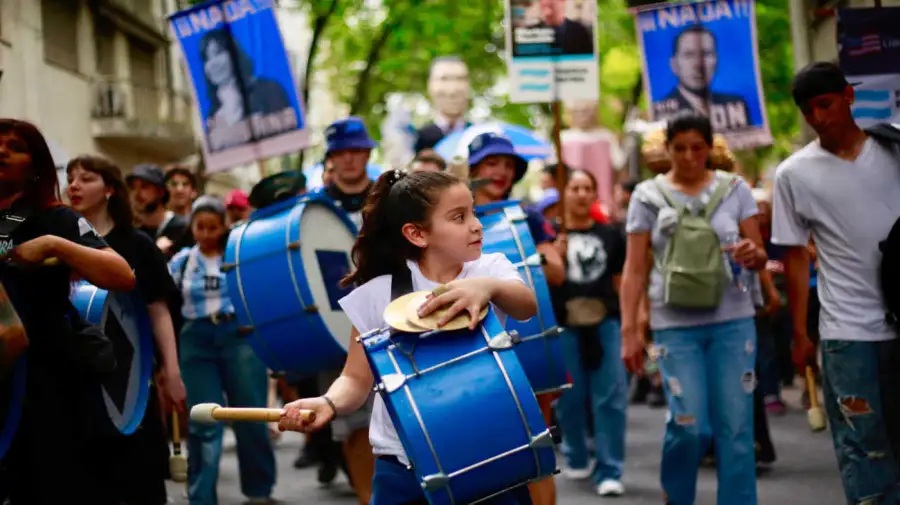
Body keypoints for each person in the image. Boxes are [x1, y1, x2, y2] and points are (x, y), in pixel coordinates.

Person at [278, 170, 539, 505]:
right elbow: (355, 378)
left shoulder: (489, 269)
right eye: (459, 217)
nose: (476, 224)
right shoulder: (379, 293)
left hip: (487, 446)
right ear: (417, 234)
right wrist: (328, 402)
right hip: (403, 463)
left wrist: (488, 287)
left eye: (473, 212)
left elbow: (526, 306)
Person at [620, 112, 766, 505]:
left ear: (709, 148)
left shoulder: (735, 189)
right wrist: (630, 332)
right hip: (674, 325)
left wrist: (753, 254)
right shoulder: (647, 196)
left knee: (735, 429)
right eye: (679, 148)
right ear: (666, 149)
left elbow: (759, 253)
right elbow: (634, 269)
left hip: (733, 321)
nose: (688, 156)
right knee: (690, 426)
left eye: (697, 148)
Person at [771, 62, 900, 505]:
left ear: (849, 97)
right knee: (863, 448)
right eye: (809, 111)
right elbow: (793, 256)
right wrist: (801, 333)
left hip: (899, 320)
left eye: (825, 104)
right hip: (846, 333)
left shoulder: (893, 151)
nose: (819, 118)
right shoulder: (793, 174)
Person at [0, 119, 135, 503]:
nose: (2, 150)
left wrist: (55, 246)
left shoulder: (55, 218)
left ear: (35, 165)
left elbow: (122, 274)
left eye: (15, 146)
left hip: (47, 383)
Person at [66, 154, 187, 505]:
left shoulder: (137, 245)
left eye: (86, 178)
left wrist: (172, 371)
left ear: (109, 190)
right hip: (76, 378)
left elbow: (158, 312)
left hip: (132, 376)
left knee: (140, 475)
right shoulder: (57, 239)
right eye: (70, 178)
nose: (74, 184)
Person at [466, 132, 564, 505]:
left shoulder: (528, 216)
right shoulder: (455, 216)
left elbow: (556, 272)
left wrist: (540, 257)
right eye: (492, 163)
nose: (501, 171)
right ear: (474, 168)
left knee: (534, 441)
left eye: (508, 165)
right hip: (472, 344)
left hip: (530, 339)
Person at [169, 196, 276, 505]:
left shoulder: (237, 254)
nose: (206, 233)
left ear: (224, 225)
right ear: (191, 227)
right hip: (196, 337)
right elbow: (164, 297)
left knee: (250, 412)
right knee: (204, 418)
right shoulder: (182, 260)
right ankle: (201, 496)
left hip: (237, 334)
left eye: (212, 227)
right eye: (199, 227)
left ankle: (259, 489)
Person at [550, 169, 628, 497]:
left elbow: (621, 280)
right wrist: (554, 252)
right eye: (575, 187)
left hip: (605, 321)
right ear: (564, 192)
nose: (581, 193)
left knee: (609, 396)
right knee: (569, 396)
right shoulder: (551, 233)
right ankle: (576, 455)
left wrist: (632, 321)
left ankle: (610, 468)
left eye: (587, 187)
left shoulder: (611, 235)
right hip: (564, 323)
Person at [200, 29, 294, 150]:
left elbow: (289, 123)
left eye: (218, 53)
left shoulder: (269, 89)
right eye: (206, 59)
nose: (213, 63)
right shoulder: (212, 116)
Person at [653, 25, 750, 132]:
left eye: (706, 54)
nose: (699, 65)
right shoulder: (661, 111)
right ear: (674, 64)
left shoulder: (735, 105)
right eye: (689, 55)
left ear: (716, 61)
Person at [322, 117, 377, 229]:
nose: (348, 159)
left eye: (355, 150)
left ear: (368, 153)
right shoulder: (318, 207)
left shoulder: (388, 200)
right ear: (330, 158)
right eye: (339, 152)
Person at [127, 164, 189, 259]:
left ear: (160, 192)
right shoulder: (131, 232)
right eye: (133, 188)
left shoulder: (182, 229)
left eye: (144, 187)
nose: (137, 193)